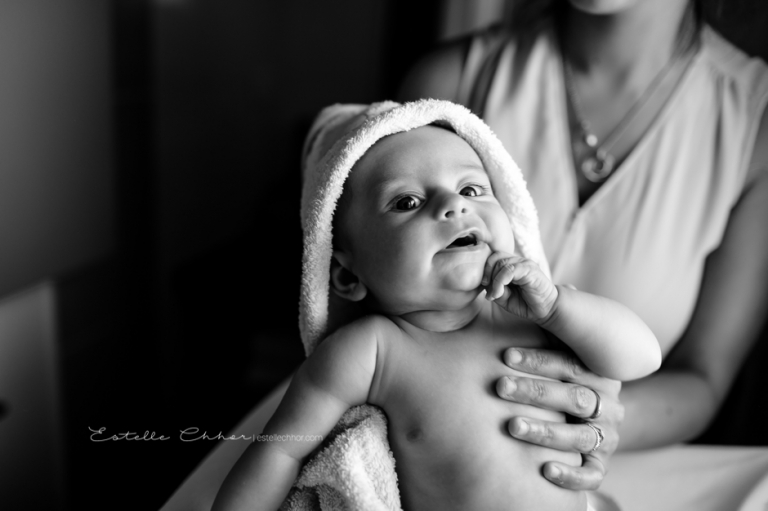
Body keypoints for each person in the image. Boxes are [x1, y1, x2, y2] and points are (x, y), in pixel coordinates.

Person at [211, 100, 660, 511]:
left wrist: (558, 307)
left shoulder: (536, 313)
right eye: (407, 201)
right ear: (348, 275)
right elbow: (279, 450)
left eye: (472, 189)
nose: (453, 206)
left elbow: (642, 357)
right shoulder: (371, 350)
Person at [398, 0, 768, 493]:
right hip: (432, 448)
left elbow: (704, 375)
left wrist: (592, 420)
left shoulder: (754, 118)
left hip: (616, 465)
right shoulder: (452, 84)